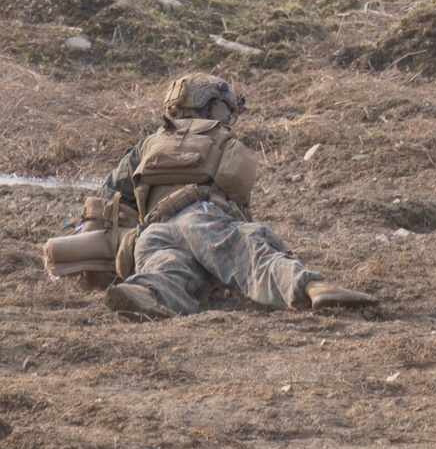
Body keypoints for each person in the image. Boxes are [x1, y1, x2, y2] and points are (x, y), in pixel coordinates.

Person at [100, 73, 377, 321]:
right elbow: (239, 201)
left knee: (169, 268)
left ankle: (147, 293)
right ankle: (309, 286)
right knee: (251, 252)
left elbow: (108, 198)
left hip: (154, 232)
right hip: (203, 220)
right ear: (211, 109)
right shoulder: (223, 141)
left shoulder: (148, 144)